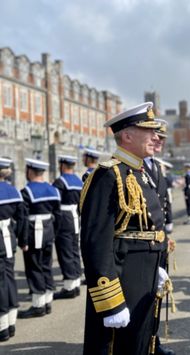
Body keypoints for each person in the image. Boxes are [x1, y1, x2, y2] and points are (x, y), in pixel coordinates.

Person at [80, 102, 174, 355]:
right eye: (149, 130)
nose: (156, 136)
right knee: (116, 346)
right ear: (127, 135)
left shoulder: (141, 174)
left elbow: (153, 227)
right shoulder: (108, 175)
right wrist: (109, 301)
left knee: (141, 343)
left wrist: (159, 266)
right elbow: (95, 242)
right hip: (122, 278)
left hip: (144, 274)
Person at [18, 159, 61, 318]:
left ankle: (38, 305)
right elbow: (58, 216)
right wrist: (54, 233)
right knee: (46, 266)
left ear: (29, 171)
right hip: (48, 231)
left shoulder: (26, 192)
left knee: (34, 267)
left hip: (33, 233)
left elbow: (22, 219)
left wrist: (22, 240)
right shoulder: (53, 190)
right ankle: (47, 301)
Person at [0, 158, 27, 341]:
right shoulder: (13, 190)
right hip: (8, 238)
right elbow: (23, 218)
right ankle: (10, 322)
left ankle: (2, 326)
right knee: (8, 278)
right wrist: (21, 239)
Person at [52, 155, 83, 299]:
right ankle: (75, 283)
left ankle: (69, 287)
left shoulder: (60, 181)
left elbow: (55, 203)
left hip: (64, 218)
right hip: (75, 217)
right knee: (74, 250)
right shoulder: (78, 180)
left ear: (63, 166)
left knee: (65, 252)